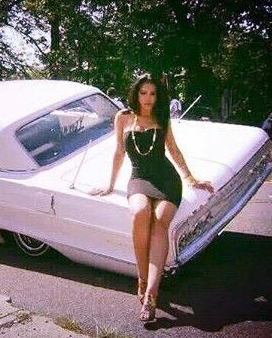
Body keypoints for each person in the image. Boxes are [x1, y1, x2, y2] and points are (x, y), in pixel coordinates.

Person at [90, 74, 214, 322]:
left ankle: (151, 293)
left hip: (167, 180)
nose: (148, 98)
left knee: (159, 222)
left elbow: (174, 150)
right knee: (139, 213)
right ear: (136, 93)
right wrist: (110, 185)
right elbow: (119, 153)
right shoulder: (122, 117)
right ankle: (142, 276)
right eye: (144, 93)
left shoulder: (162, 117)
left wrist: (190, 177)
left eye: (153, 94)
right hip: (139, 177)